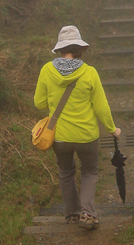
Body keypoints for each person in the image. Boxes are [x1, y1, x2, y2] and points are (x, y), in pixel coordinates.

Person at [34, 25, 120, 229]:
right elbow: (101, 107)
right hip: (87, 136)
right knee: (89, 171)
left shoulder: (47, 70)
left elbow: (39, 103)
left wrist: (54, 99)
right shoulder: (89, 72)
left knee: (66, 172)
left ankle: (72, 214)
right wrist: (112, 129)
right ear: (79, 48)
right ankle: (87, 214)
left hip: (60, 137)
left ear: (59, 49)